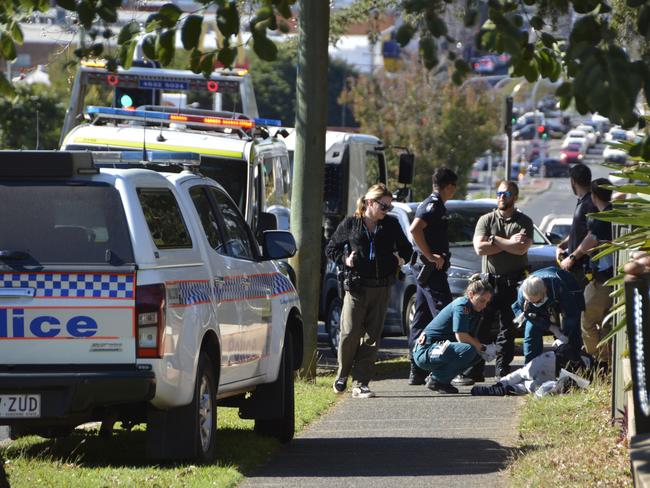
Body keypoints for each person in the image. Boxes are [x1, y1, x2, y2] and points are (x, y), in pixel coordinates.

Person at [326, 183, 412, 398]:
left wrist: (399, 260)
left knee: (372, 337)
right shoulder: (352, 223)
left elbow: (407, 250)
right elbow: (331, 248)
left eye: (389, 207)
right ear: (370, 203)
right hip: (356, 287)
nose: (386, 211)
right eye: (384, 206)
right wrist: (345, 260)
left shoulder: (390, 225)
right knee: (350, 333)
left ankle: (361, 383)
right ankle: (342, 375)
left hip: (382, 287)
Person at [462, 180, 534, 383]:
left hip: (513, 282)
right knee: (481, 326)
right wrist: (508, 242)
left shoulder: (524, 221)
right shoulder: (486, 219)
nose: (502, 197)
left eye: (507, 194)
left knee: (507, 328)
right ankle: (475, 368)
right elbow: (479, 248)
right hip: (489, 283)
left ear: (515, 197)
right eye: (499, 193)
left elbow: (521, 249)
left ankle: (502, 370)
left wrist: (493, 239)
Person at [407, 167, 458, 386]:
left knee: (421, 319)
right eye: (454, 187)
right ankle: (441, 370)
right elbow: (415, 229)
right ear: (449, 187)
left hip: (427, 271)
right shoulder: (433, 206)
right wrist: (430, 256)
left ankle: (416, 369)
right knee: (444, 316)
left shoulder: (433, 204)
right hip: (431, 270)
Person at [412, 276, 495, 394]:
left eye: (487, 302)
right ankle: (436, 380)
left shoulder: (475, 310)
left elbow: (471, 336)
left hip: (439, 348)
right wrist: (483, 348)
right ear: (471, 294)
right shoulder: (462, 305)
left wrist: (484, 350)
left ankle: (442, 380)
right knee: (470, 349)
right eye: (482, 300)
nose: (484, 305)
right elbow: (461, 336)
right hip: (426, 350)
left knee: (476, 353)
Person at [567, 178, 614, 368]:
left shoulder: (603, 217)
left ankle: (600, 360)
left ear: (593, 197)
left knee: (586, 319)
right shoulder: (613, 214)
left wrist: (571, 257)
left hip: (603, 280)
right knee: (605, 323)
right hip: (610, 280)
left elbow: (591, 240)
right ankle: (607, 362)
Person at [512, 267, 585, 364]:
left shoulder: (557, 285)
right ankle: (531, 367)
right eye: (532, 301)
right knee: (531, 330)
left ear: (545, 291)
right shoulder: (522, 294)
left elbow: (571, 313)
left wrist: (564, 335)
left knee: (573, 331)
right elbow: (530, 316)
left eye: (538, 301)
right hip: (540, 298)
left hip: (567, 286)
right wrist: (551, 327)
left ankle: (574, 363)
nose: (536, 303)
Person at [557, 163, 598, 288]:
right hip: (576, 268)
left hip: (584, 269)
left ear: (573, 182)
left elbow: (593, 235)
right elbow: (580, 231)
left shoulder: (590, 203)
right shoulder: (583, 202)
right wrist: (562, 245)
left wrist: (572, 258)